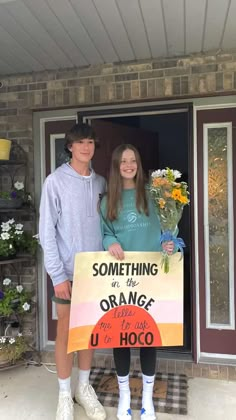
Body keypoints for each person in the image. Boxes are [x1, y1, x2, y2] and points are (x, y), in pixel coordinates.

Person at [100, 144, 174, 420]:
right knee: (121, 337)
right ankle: (124, 398)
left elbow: (169, 228)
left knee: (147, 336)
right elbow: (105, 233)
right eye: (123, 161)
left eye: (133, 160)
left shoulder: (154, 196)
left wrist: (170, 244)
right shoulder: (109, 200)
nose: (129, 165)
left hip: (150, 276)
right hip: (121, 279)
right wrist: (111, 242)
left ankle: (146, 399)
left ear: (138, 164)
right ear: (117, 166)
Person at [39, 122, 107, 420]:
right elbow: (46, 231)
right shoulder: (55, 181)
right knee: (66, 332)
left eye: (90, 142)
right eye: (80, 142)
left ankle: (84, 387)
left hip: (96, 272)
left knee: (89, 333)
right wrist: (57, 276)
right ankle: (65, 394)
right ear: (70, 146)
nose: (86, 147)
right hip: (67, 273)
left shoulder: (101, 183)